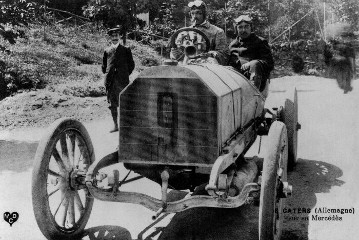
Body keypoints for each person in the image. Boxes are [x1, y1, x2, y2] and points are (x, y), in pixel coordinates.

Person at [170, 0, 228, 65]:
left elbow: (224, 54)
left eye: (198, 13)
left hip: (207, 65)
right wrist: (176, 53)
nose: (195, 16)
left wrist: (210, 54)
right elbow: (175, 54)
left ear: (204, 14)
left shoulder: (217, 31)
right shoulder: (184, 32)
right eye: (192, 13)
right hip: (187, 64)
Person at [102, 26, 135, 132]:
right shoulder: (107, 51)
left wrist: (124, 74)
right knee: (112, 104)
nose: (115, 38)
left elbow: (131, 65)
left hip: (122, 81)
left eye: (116, 36)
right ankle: (115, 125)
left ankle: (125, 126)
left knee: (123, 103)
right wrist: (108, 74)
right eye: (113, 36)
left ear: (119, 37)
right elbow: (104, 66)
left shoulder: (126, 50)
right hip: (111, 82)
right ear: (110, 38)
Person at [228, 15, 274, 91]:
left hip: (257, 81)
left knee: (254, 64)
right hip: (236, 82)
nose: (243, 30)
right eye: (240, 27)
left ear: (251, 28)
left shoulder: (260, 42)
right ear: (236, 29)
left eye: (246, 27)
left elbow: (269, 64)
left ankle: (253, 94)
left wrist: (251, 63)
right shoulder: (232, 45)